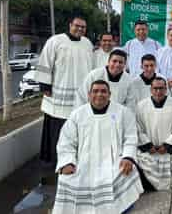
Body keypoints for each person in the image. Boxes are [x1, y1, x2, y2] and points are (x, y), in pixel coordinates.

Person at [53, 80, 143, 214]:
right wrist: (67, 162)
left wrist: (128, 157)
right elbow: (66, 142)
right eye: (95, 91)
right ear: (89, 95)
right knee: (66, 179)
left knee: (127, 171)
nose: (99, 95)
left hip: (114, 161)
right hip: (85, 162)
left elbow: (130, 138)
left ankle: (120, 208)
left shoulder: (123, 112)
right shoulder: (77, 115)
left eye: (103, 91)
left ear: (109, 94)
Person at [35, 16, 93, 173]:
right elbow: (45, 62)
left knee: (78, 129)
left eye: (83, 27)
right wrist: (45, 84)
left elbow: (91, 67)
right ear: (70, 25)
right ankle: (55, 161)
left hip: (80, 94)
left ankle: (76, 160)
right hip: (58, 94)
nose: (80, 29)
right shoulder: (55, 41)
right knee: (57, 130)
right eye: (77, 26)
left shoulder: (87, 44)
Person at [136, 77, 172, 191]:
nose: (158, 92)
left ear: (166, 89)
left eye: (161, 88)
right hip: (150, 150)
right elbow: (138, 129)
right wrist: (148, 146)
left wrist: (167, 146)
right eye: (155, 88)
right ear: (151, 90)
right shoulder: (141, 106)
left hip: (167, 150)